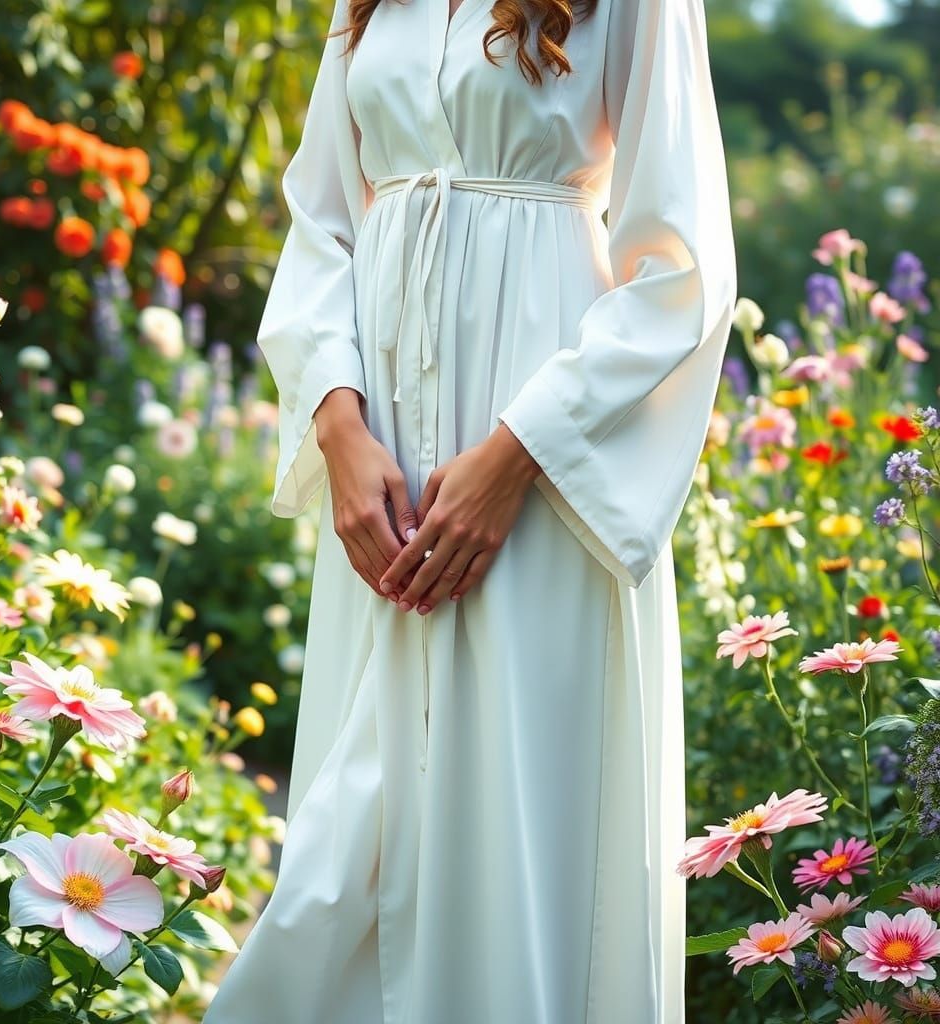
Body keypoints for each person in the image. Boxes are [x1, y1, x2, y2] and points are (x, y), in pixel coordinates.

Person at [202, 0, 736, 1018]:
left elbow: (683, 265)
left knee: (519, 822)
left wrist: (516, 456)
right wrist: (335, 422)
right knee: (357, 836)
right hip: (382, 476)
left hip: (543, 479)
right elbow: (319, 216)